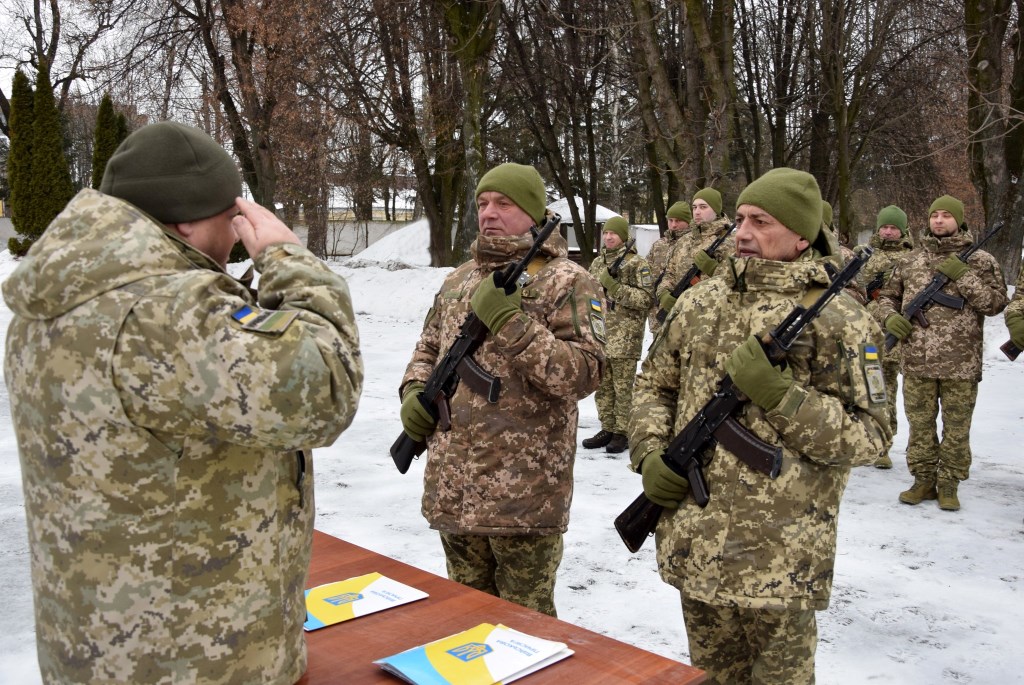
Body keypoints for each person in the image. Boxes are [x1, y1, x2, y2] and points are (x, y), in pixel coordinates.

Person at [2, 121, 364, 684]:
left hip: (98, 644)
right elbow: (326, 389)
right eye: (231, 217)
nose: (237, 231)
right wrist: (288, 258)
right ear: (190, 220)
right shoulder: (170, 312)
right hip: (195, 658)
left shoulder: (54, 300)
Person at [629, 168, 891, 684]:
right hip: (696, 540)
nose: (743, 232)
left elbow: (873, 435)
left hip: (782, 556)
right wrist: (649, 452)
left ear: (801, 235)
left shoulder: (842, 321)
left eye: (761, 221)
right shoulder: (699, 302)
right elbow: (653, 385)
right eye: (742, 218)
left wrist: (781, 397)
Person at [398, 162, 604, 617]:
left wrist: (511, 323)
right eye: (483, 203)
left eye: (503, 204)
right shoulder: (459, 278)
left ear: (533, 214)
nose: (489, 213)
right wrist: (414, 391)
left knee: (526, 632)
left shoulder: (567, 280)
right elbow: (428, 348)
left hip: (524, 497)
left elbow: (585, 373)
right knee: (465, 621)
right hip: (454, 487)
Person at [877, 195, 1007, 511]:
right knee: (920, 428)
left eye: (946, 215)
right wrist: (890, 317)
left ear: (958, 221)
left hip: (961, 364)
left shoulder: (982, 261)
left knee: (956, 430)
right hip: (917, 361)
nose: (938, 220)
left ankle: (949, 484)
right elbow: (887, 298)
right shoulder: (910, 261)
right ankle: (922, 481)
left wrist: (963, 276)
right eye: (934, 215)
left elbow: (995, 304)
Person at [583, 215, 654, 453]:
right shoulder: (597, 262)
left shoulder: (637, 264)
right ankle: (608, 427)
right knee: (603, 386)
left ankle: (622, 432)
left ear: (624, 236)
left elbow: (645, 299)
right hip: (601, 334)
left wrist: (614, 288)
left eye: (613, 233)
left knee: (623, 388)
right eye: (605, 233)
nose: (609, 237)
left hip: (625, 336)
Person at [857, 204, 914, 467]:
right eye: (884, 226)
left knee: (886, 390)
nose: (889, 232)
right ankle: (861, 440)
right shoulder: (863, 254)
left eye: (894, 227)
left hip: (891, 335)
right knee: (862, 389)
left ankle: (884, 446)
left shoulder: (911, 257)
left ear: (902, 230)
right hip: (863, 332)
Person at [655, 187, 736, 322]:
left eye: (703, 207)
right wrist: (664, 293)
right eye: (694, 207)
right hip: (681, 317)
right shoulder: (684, 241)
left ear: (716, 210)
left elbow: (742, 283)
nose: (697, 212)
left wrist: (715, 269)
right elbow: (669, 273)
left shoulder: (733, 242)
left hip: (715, 318)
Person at [646, 200, 691, 333]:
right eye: (670, 220)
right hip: (657, 312)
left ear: (688, 221)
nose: (673, 225)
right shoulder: (659, 245)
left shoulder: (692, 244)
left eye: (678, 221)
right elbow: (647, 274)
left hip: (683, 312)